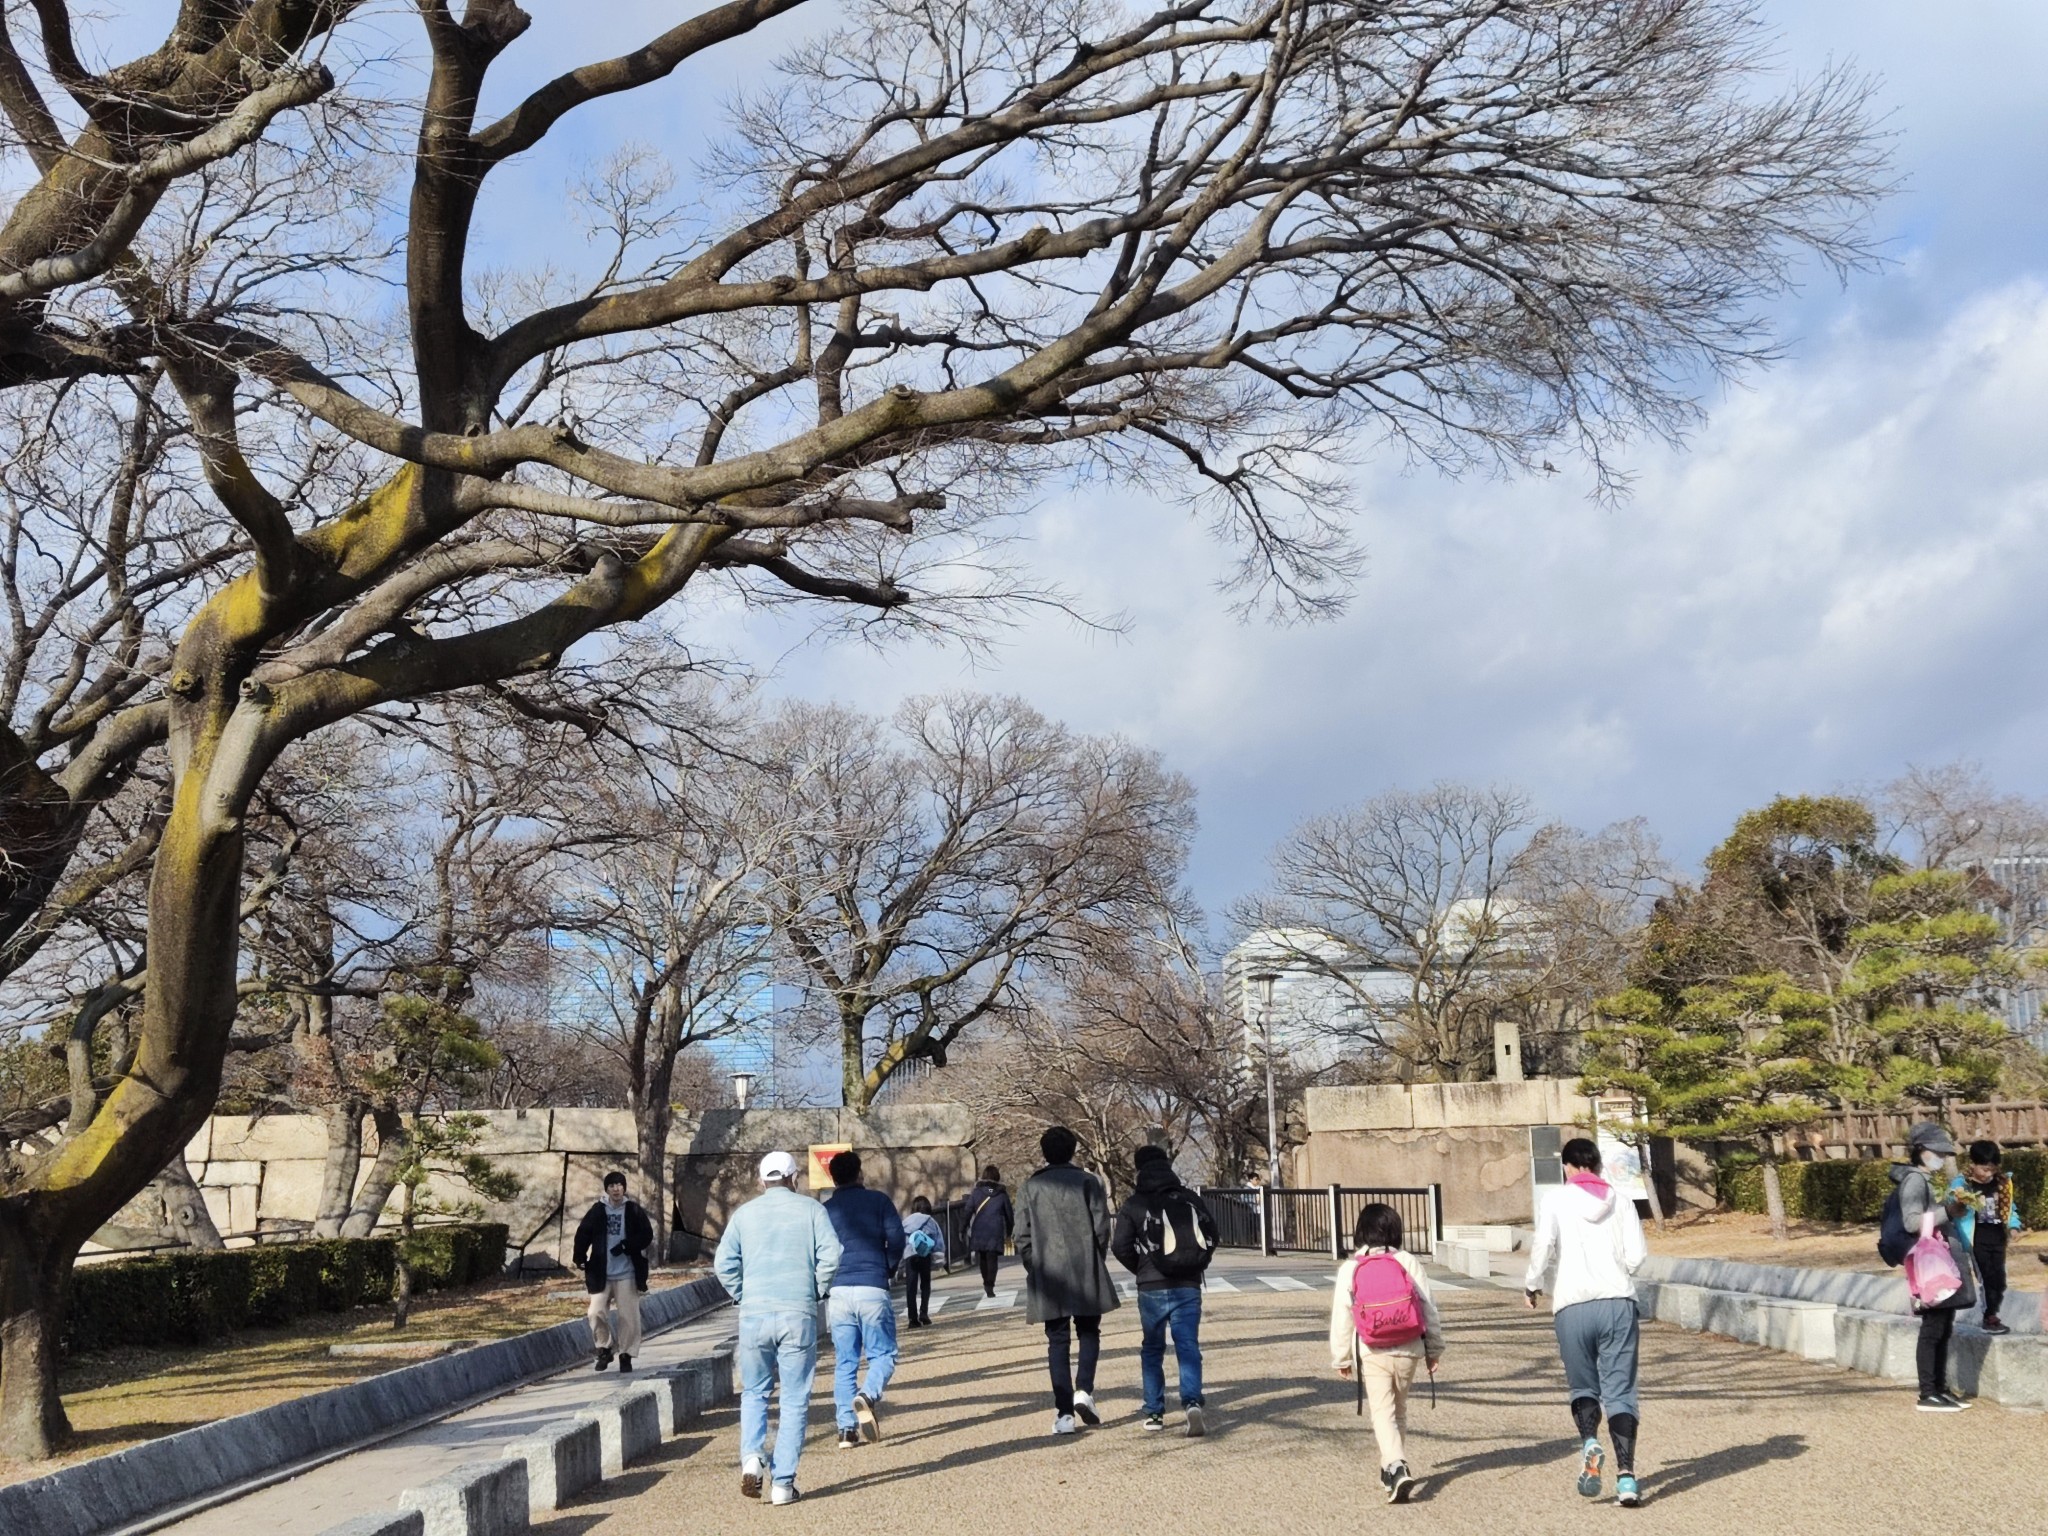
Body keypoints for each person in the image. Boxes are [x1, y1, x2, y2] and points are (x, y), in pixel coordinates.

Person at [1524, 1137, 1649, 1507]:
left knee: (1584, 1388)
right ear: (1597, 1165)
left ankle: (1590, 1443)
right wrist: (1618, 1272)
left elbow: (1543, 1245)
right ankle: (1626, 1478)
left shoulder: (1556, 1200)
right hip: (1618, 1304)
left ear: (1567, 1167)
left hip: (1572, 1305)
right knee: (1621, 1392)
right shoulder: (1622, 1201)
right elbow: (1637, 1257)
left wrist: (1532, 1285)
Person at [714, 1150, 843, 1505]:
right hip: (796, 1311)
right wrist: (817, 1287)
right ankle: (783, 1483)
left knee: (754, 1391)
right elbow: (832, 1254)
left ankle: (752, 1458)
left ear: (762, 1181)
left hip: (754, 1313)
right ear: (794, 1178)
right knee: (794, 1398)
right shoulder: (813, 1211)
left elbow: (723, 1264)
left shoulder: (744, 1215)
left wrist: (742, 1293)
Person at [1330, 1202, 1443, 1504]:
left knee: (1382, 1412)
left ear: (1361, 1232)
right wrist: (1434, 1349)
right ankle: (1389, 1467)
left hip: (1373, 1347)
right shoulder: (1407, 1261)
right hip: (1409, 1347)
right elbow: (1428, 1308)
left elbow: (1342, 1316)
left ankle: (1396, 1465)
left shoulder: (1351, 1268)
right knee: (1399, 1410)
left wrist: (1342, 1357)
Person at [1016, 1125, 1120, 1435]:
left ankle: (1063, 1414)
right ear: (1073, 1151)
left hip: (1048, 1272)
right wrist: (1094, 1258)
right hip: (1085, 1265)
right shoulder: (1089, 1182)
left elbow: (1021, 1235)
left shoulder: (1030, 1188)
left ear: (1044, 1153)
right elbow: (1102, 1229)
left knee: (1057, 1341)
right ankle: (1084, 1389)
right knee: (1089, 1331)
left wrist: (1034, 1264)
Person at [1110, 1144, 1217, 1435]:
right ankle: (1192, 1402)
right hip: (1188, 1283)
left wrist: (1141, 1269)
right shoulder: (1189, 1198)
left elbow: (1119, 1246)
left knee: (1152, 1348)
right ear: (1167, 1164)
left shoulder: (1134, 1203)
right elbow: (1212, 1235)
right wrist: (1196, 1264)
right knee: (1187, 1345)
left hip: (1151, 1286)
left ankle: (1155, 1413)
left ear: (1139, 1168)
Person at [822, 1150, 905, 1448]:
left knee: (845, 1361)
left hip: (840, 1290)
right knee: (883, 1354)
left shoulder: (826, 1210)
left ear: (833, 1177)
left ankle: (846, 1430)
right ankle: (868, 1394)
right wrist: (888, 1266)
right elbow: (896, 1239)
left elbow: (821, 1251)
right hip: (872, 1284)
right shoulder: (879, 1202)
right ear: (860, 1174)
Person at [1893, 1121, 1975, 1411]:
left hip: (1936, 1261)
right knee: (1934, 1327)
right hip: (1930, 1264)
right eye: (1935, 1152)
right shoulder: (1914, 1180)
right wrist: (1948, 1211)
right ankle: (1928, 1392)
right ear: (1920, 1151)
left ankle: (1938, 1389)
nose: (1940, 1158)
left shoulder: (1924, 1178)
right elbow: (1912, 1222)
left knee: (1943, 1326)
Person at [572, 1171, 653, 1373]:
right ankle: (604, 1348)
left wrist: (628, 1246)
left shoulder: (633, 1210)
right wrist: (579, 1256)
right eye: (612, 1185)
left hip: (627, 1273)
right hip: (601, 1272)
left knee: (628, 1317)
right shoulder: (598, 1210)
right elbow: (583, 1233)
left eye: (619, 1185)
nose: (616, 1189)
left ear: (624, 1188)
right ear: (606, 1189)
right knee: (595, 1312)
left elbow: (646, 1234)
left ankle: (626, 1354)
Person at [1949, 1140, 2022, 1336]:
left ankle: (1993, 1311)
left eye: (1992, 1169)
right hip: (1976, 1238)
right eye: (1984, 1169)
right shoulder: (1962, 1186)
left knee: (1999, 1279)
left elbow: (2010, 1207)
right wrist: (1958, 1202)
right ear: (1972, 1163)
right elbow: (1952, 1207)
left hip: (1997, 1236)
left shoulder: (2002, 1184)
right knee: (1987, 1277)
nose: (1988, 1173)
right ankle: (1989, 1316)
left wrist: (2014, 1226)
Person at [962, 1165, 1013, 1298]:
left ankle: (986, 1282)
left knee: (983, 1258)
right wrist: (1009, 1231)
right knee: (992, 1259)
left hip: (979, 1229)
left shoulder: (977, 1192)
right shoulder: (1001, 1194)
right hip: (995, 1229)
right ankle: (990, 1285)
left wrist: (963, 1227)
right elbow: (1009, 1214)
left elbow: (968, 1211)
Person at [902, 1195, 945, 1328]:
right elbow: (938, 1241)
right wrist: (939, 1258)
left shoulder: (906, 1222)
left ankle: (912, 1318)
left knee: (911, 1287)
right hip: (925, 1254)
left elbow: (900, 1240)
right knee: (925, 1284)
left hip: (910, 1255)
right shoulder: (931, 1221)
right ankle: (924, 1313)